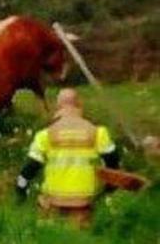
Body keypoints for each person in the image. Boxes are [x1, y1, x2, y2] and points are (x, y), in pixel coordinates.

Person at [16, 88, 120, 225]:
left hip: (52, 202)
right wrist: (109, 188)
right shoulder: (97, 133)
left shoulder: (45, 135)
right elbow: (113, 162)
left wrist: (21, 188)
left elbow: (30, 168)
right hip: (83, 202)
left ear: (58, 107)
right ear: (79, 105)